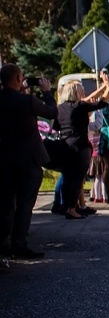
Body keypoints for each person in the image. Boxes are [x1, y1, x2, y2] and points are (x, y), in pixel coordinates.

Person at [0, 64, 56, 260]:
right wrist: (47, 92)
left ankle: (4, 243)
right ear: (18, 79)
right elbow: (52, 112)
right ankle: (19, 244)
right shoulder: (28, 101)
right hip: (29, 160)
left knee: (6, 203)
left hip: (4, 160)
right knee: (25, 205)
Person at [56, 74, 109, 218]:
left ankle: (66, 206)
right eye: (81, 90)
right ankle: (72, 209)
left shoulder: (61, 108)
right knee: (78, 178)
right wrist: (107, 87)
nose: (84, 93)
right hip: (80, 146)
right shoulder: (80, 106)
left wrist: (102, 87)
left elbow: (56, 125)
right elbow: (102, 103)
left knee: (67, 178)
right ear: (76, 93)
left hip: (65, 145)